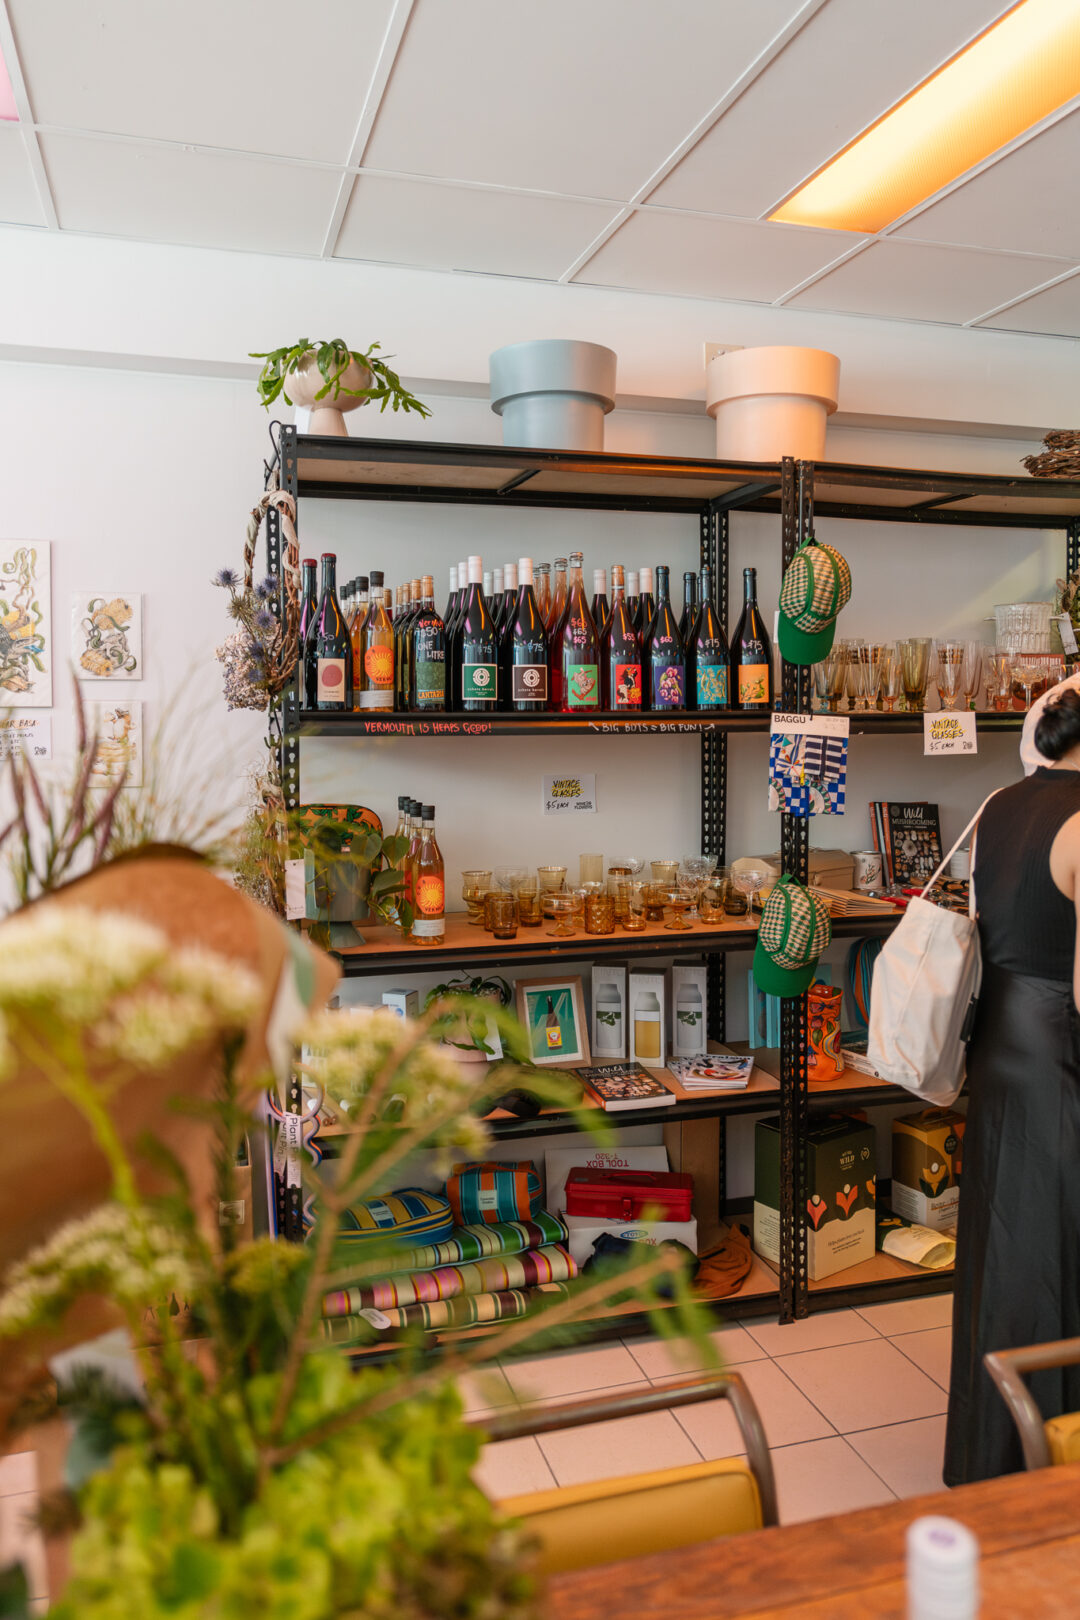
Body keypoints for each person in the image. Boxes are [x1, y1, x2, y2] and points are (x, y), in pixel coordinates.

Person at [945, 686, 1080, 1484]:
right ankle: (1053, 1464)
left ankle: (992, 1454)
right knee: (1060, 1251)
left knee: (1006, 1246)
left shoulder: (998, 803)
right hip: (1062, 1056)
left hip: (1000, 1044)